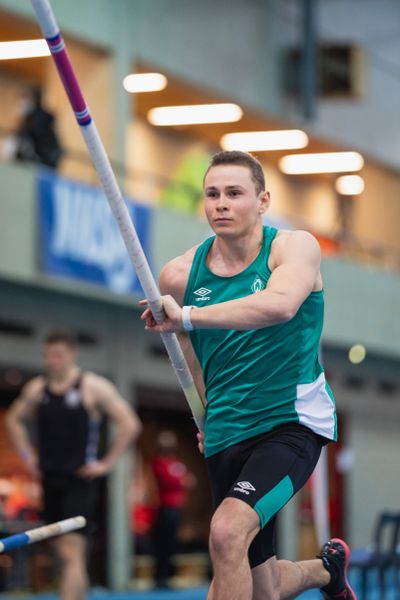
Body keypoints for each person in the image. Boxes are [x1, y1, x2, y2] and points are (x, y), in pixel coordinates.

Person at [140, 150, 356, 600]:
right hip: (227, 431)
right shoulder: (180, 275)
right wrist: (206, 413)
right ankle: (326, 572)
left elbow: (280, 305)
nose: (221, 203)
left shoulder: (293, 247)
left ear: (262, 200)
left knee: (225, 533)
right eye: (212, 194)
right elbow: (190, 355)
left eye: (234, 193)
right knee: (265, 587)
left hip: (289, 424)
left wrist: (191, 317)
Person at [6, 329, 141, 600]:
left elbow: (130, 424)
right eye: (48, 356)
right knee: (62, 552)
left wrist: (106, 464)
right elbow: (13, 419)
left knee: (70, 549)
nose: (52, 361)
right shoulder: (37, 388)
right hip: (49, 478)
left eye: (58, 356)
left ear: (71, 355)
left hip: (80, 479)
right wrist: (26, 457)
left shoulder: (92, 387)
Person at [150, 430, 193, 589]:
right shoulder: (158, 462)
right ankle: (160, 576)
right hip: (165, 506)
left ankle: (168, 573)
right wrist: (182, 481)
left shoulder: (176, 461)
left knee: (173, 542)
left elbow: (188, 479)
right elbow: (170, 481)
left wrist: (183, 481)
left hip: (178, 506)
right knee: (163, 542)